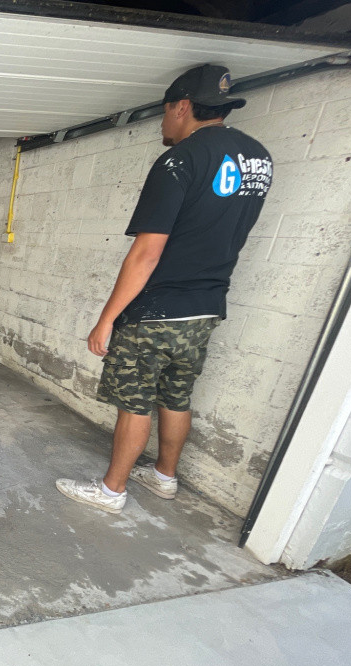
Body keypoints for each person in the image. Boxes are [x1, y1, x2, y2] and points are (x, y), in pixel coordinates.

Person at [56, 63, 273, 514]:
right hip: (206, 306)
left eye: (164, 112)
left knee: (134, 402)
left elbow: (146, 253)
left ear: (182, 106)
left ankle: (111, 491)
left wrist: (107, 319)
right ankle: (164, 478)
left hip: (157, 308)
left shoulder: (181, 159)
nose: (163, 122)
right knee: (177, 395)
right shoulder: (258, 158)